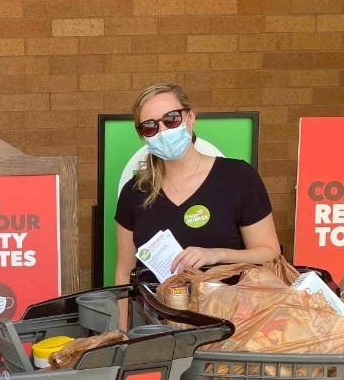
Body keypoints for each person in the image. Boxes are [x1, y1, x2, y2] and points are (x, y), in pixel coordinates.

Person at [114, 82, 280, 315]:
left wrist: (216, 254)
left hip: (231, 322)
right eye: (150, 126)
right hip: (157, 328)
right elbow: (124, 272)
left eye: (171, 119)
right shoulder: (135, 192)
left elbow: (269, 254)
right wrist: (124, 332)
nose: (163, 131)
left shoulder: (238, 177)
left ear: (190, 118)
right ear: (143, 136)